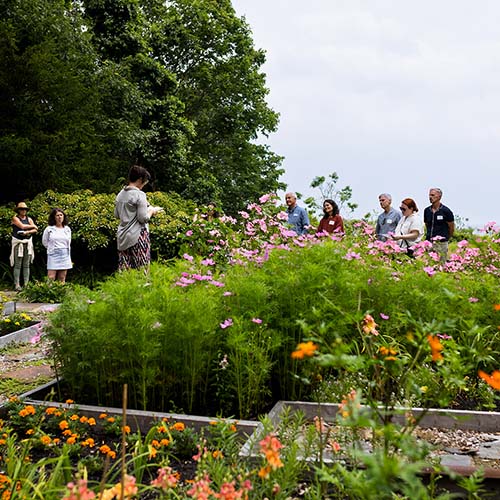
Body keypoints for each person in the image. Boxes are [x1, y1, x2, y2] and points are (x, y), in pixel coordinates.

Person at [114, 165, 163, 271]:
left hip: (122, 237)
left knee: (125, 272)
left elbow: (117, 215)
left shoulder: (120, 194)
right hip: (138, 236)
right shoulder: (140, 195)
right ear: (140, 179)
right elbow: (143, 218)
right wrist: (151, 211)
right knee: (142, 270)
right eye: (145, 181)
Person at [10, 202, 38, 291]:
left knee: (26, 265)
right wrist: (33, 226)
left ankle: (26, 284)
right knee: (17, 264)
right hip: (18, 242)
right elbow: (22, 226)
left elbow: (35, 230)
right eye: (22, 209)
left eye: (25, 209)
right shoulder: (15, 218)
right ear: (18, 210)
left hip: (27, 242)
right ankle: (17, 284)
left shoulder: (29, 219)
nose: (23, 211)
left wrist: (27, 232)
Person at [424, 188, 454, 262]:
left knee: (441, 265)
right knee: (429, 264)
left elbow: (451, 228)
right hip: (429, 242)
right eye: (429, 195)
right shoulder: (427, 211)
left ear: (439, 197)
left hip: (441, 244)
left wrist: (445, 239)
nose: (430, 197)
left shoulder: (446, 211)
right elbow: (427, 225)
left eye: (433, 195)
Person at [42, 208, 72, 282]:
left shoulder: (67, 229)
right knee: (51, 277)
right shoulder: (49, 229)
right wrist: (52, 248)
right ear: (54, 217)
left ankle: (61, 292)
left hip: (65, 254)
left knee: (62, 277)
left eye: (61, 215)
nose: (59, 217)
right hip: (53, 254)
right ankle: (49, 292)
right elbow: (44, 242)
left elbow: (69, 241)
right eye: (57, 215)